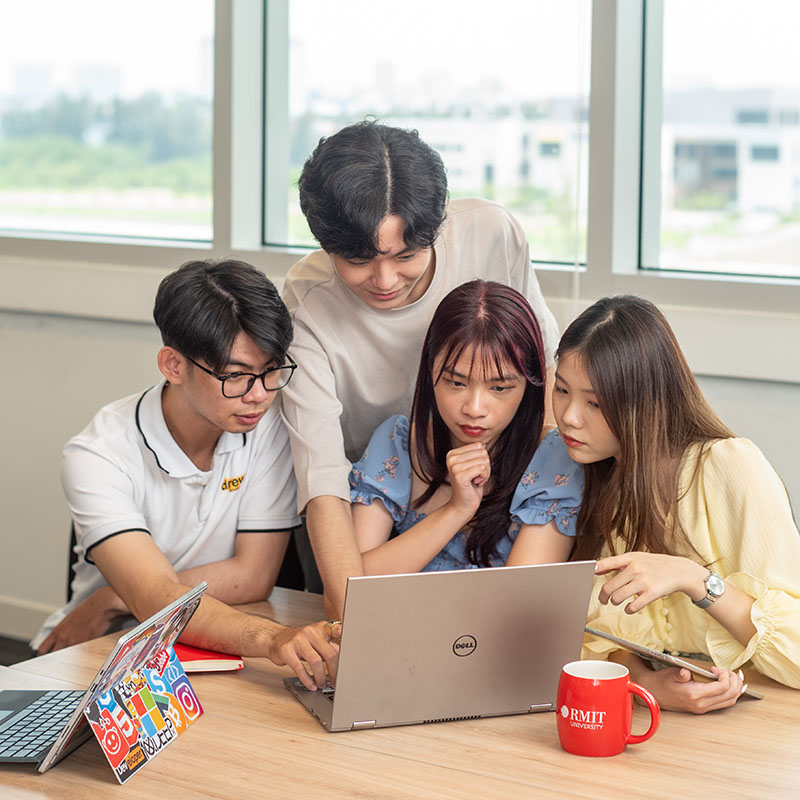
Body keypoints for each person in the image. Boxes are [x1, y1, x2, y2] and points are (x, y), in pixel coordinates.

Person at [281, 120, 560, 615]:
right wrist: (347, 600)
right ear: (325, 243)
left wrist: (528, 485)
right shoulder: (307, 303)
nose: (385, 280)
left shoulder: (491, 233)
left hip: (498, 492)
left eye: (407, 255)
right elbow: (322, 477)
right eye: (357, 260)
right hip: (370, 501)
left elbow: (547, 371)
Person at [32, 259, 338, 691]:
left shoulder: (266, 426)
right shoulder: (98, 453)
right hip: (100, 649)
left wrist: (119, 597)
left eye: (271, 372)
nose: (259, 395)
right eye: (234, 376)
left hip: (198, 643)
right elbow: (157, 598)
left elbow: (253, 577)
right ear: (173, 365)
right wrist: (269, 637)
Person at [552, 294, 800, 713]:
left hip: (764, 721)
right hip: (663, 725)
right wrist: (646, 683)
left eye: (594, 402)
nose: (570, 416)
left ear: (646, 400)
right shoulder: (600, 474)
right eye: (561, 390)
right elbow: (595, 631)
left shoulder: (731, 465)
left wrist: (693, 579)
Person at [349, 281, 579, 573]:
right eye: (456, 383)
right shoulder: (396, 443)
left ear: (529, 386)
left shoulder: (553, 458)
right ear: (430, 369)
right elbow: (352, 586)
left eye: (500, 388)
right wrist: (456, 510)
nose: (474, 409)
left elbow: (519, 603)